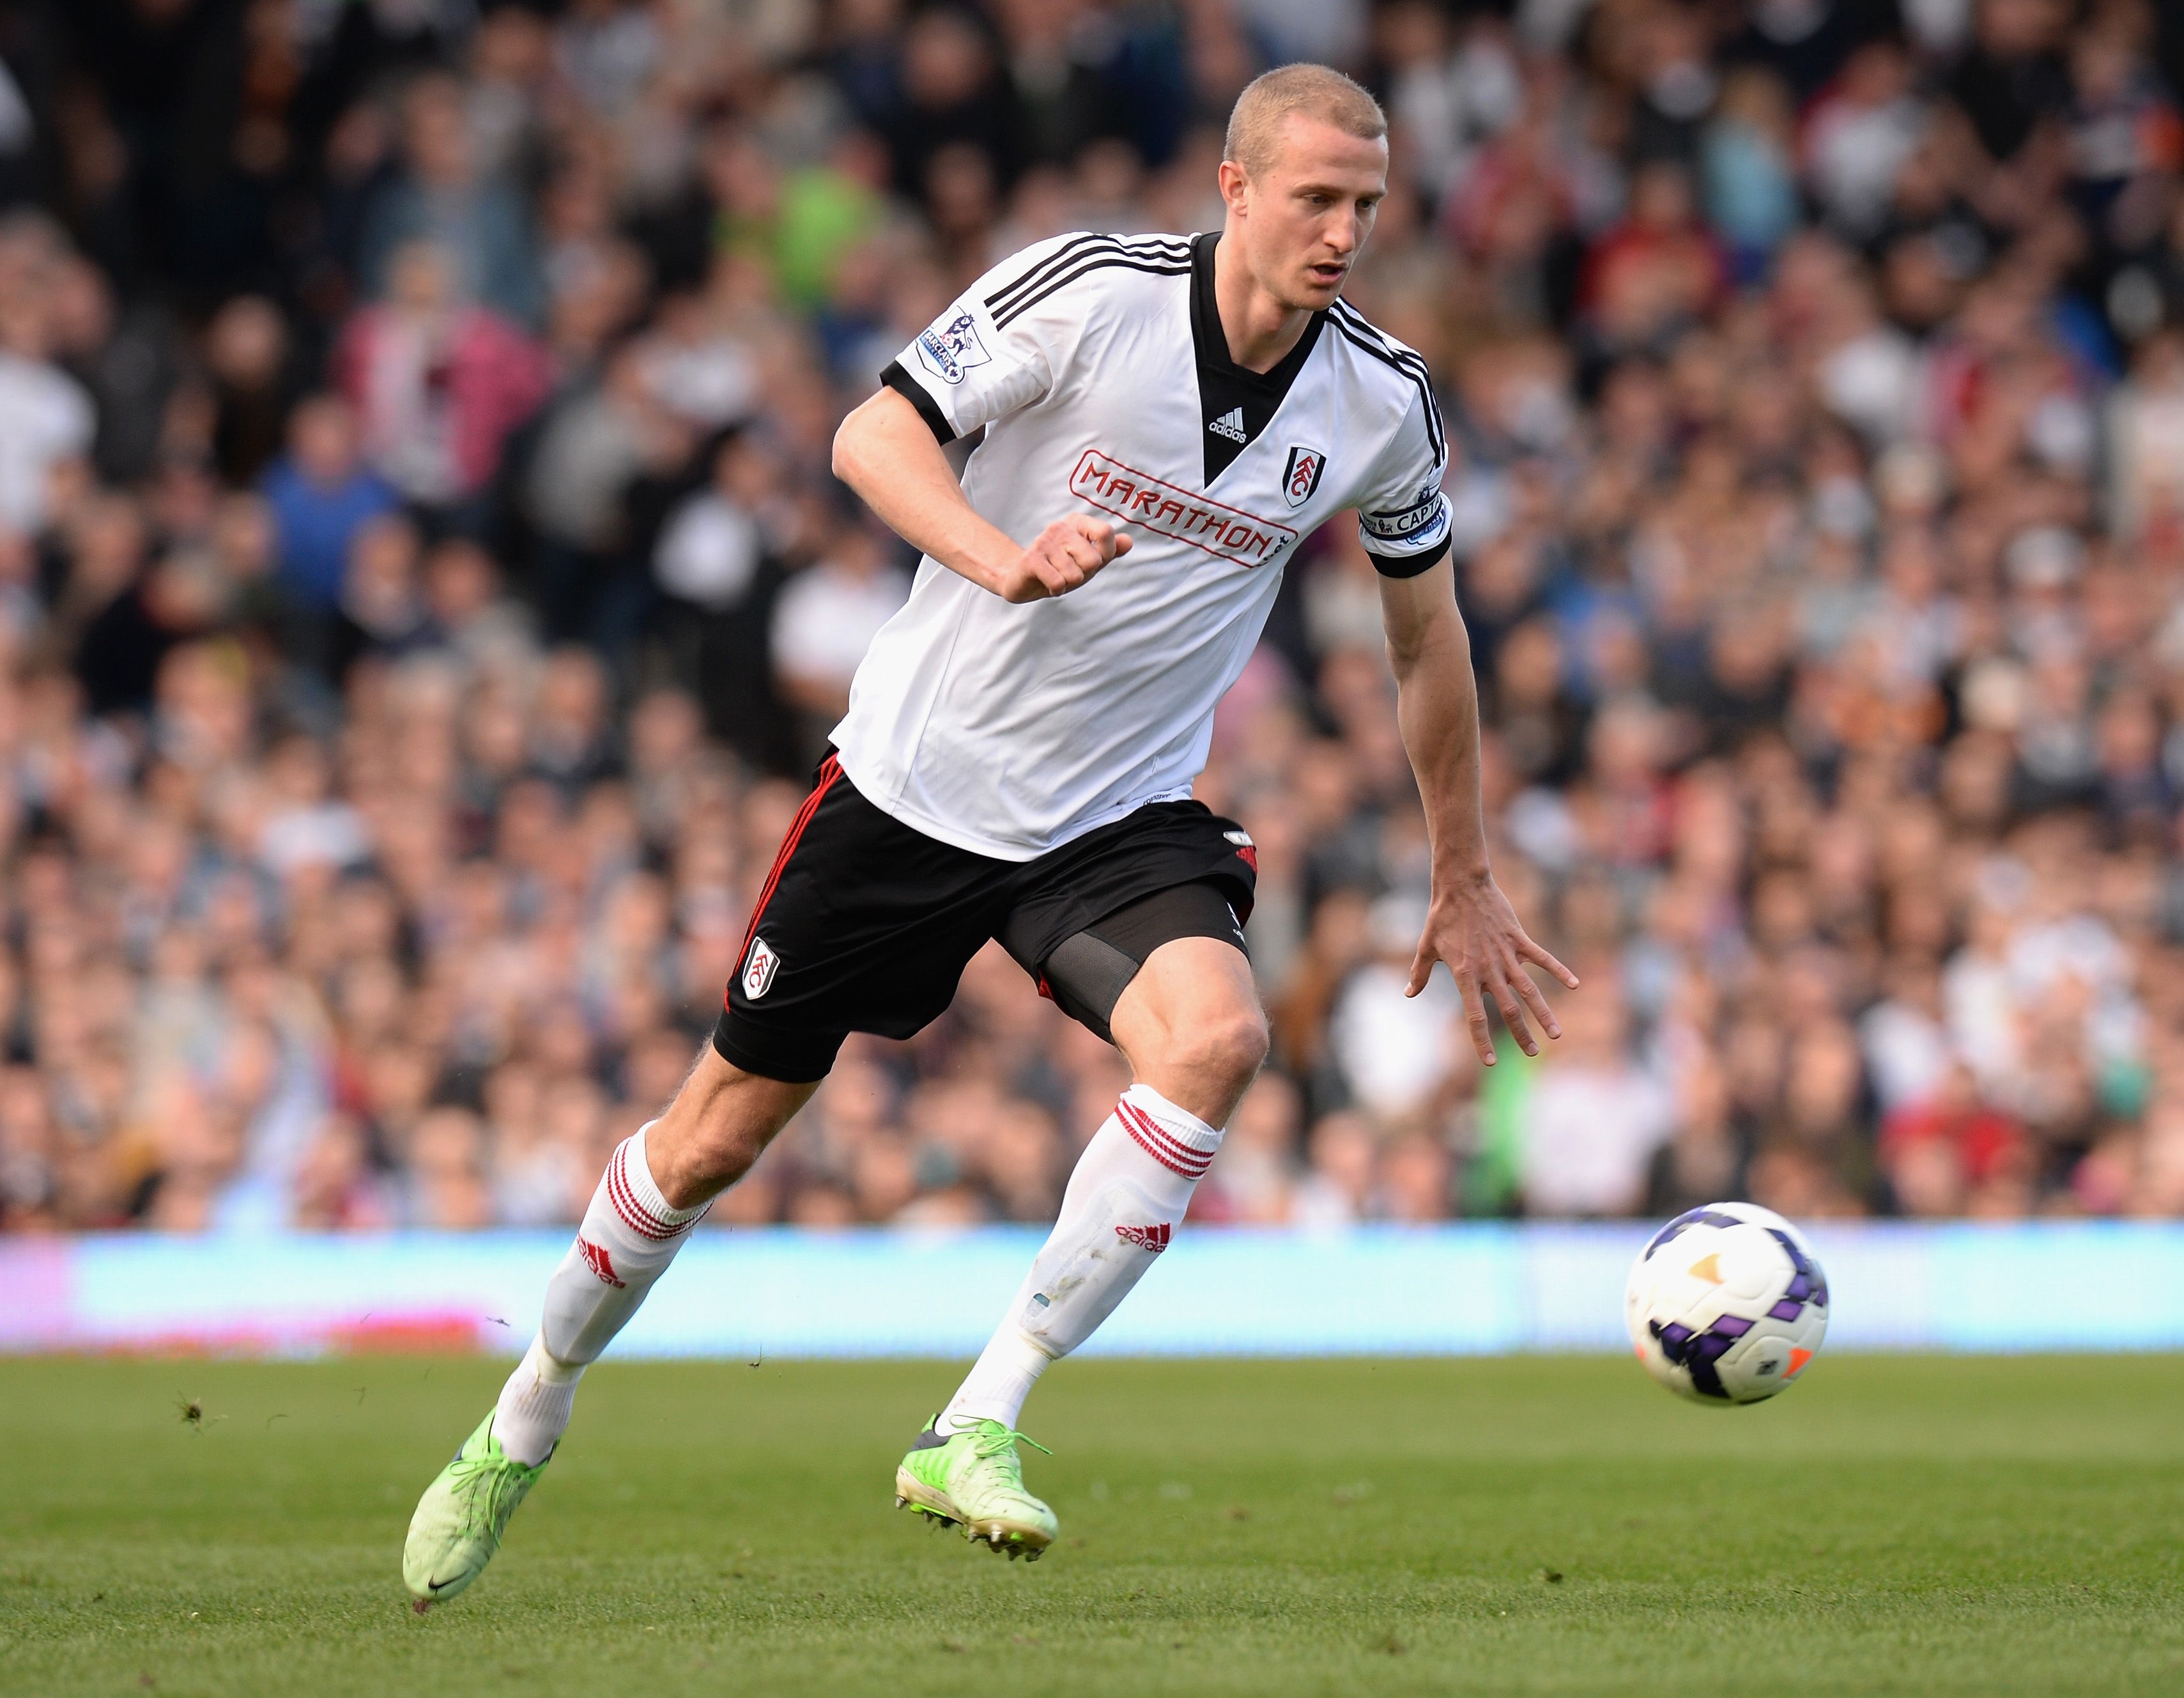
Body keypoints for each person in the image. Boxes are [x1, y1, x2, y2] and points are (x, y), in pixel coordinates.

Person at [401, 63, 1575, 1608]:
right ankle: (526, 1407)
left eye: (1365, 203)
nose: (1342, 231)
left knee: (1215, 1042)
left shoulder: (1383, 403)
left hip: (1116, 813)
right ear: (1233, 188)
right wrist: (1004, 560)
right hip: (914, 784)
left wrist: (1464, 872)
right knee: (708, 1143)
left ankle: (976, 1419)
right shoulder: (1088, 291)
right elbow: (868, 440)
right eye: (1313, 198)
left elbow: (1426, 645)